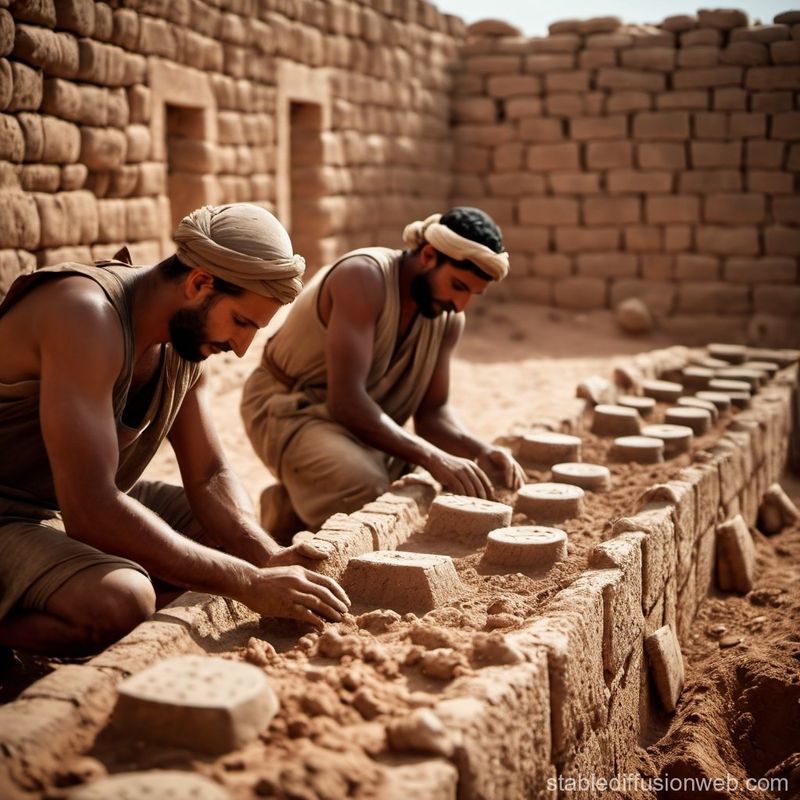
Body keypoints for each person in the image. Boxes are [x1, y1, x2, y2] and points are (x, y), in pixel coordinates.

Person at [0, 203, 350, 657]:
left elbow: (209, 474)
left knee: (226, 537)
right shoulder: (84, 314)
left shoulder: (181, 341)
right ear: (199, 282)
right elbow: (91, 506)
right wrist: (248, 582)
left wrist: (266, 556)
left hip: (57, 504)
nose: (241, 349)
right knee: (122, 600)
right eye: (241, 322)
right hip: (12, 512)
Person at [241, 207, 526, 540]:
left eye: (472, 295)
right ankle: (304, 507)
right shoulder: (363, 277)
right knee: (367, 488)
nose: (460, 305)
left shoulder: (448, 319)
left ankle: (290, 510)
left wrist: (479, 450)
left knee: (414, 481)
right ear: (430, 256)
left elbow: (433, 415)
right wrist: (434, 457)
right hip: (287, 409)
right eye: (458, 286)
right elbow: (346, 402)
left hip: (356, 424)